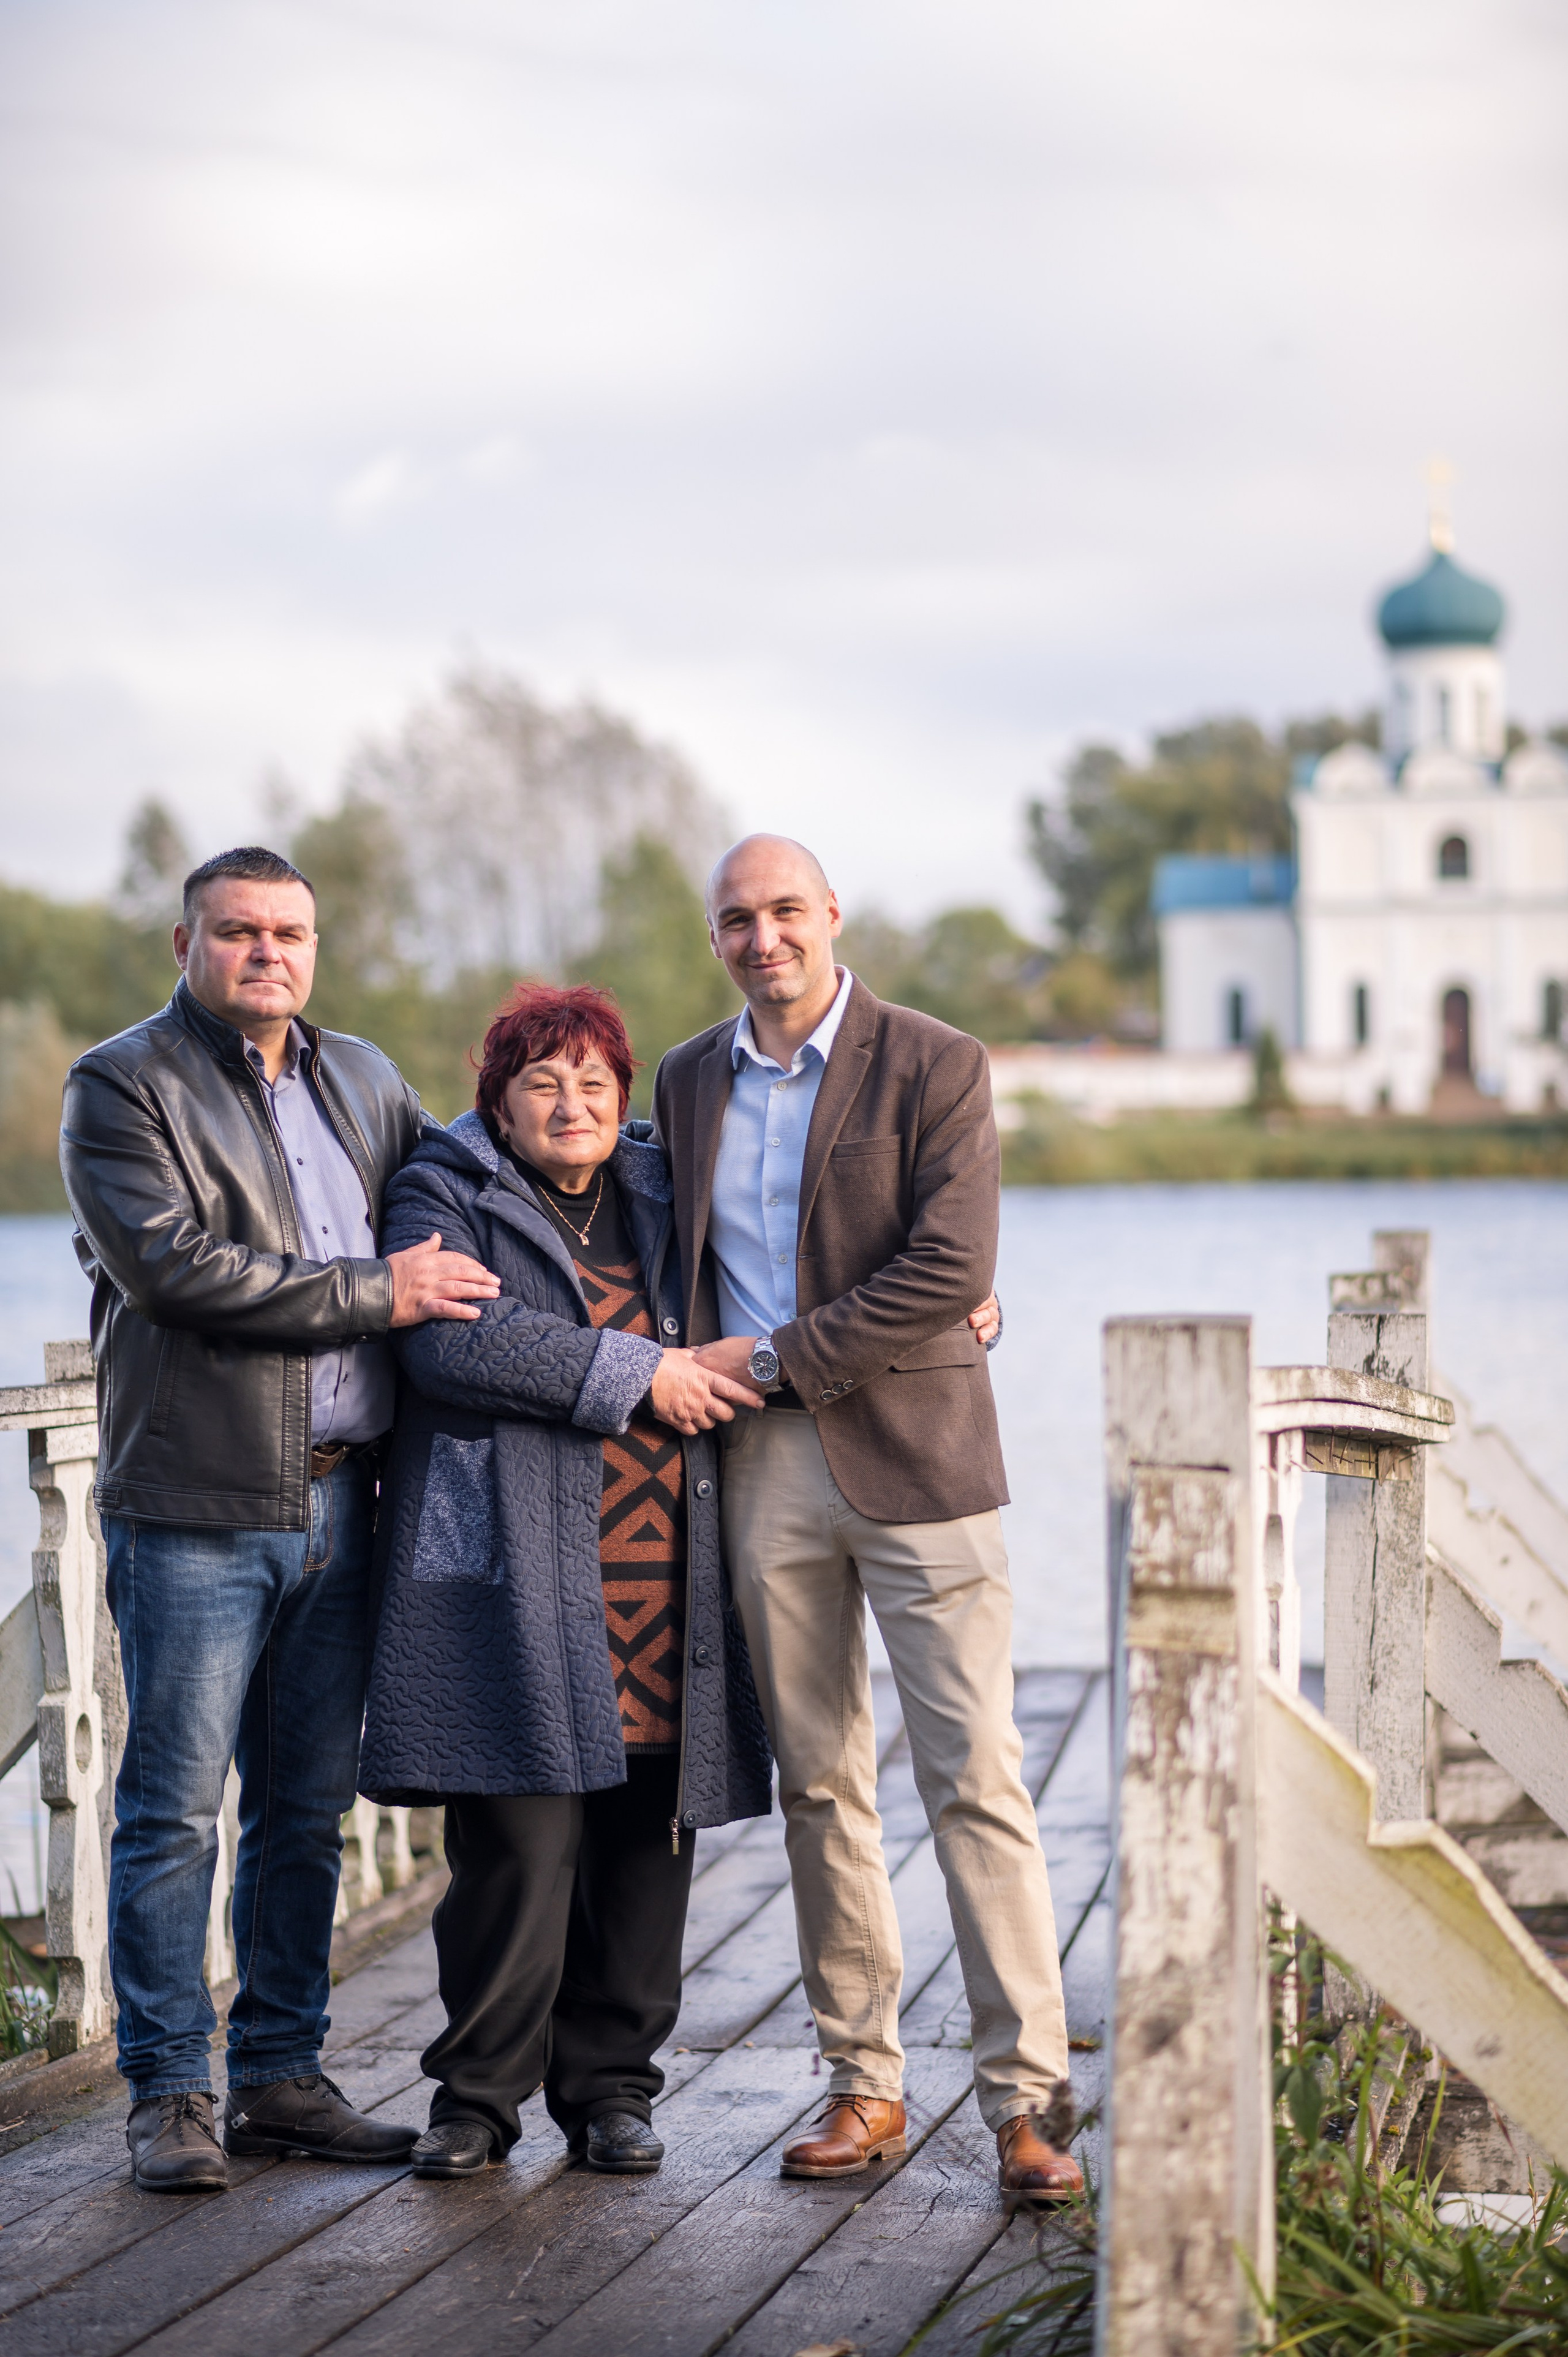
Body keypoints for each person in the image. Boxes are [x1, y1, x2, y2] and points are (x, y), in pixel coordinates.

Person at [59, 847, 501, 2195]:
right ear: (184, 943)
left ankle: (278, 2077)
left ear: (315, 947)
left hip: (348, 1498)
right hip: (197, 1502)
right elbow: (175, 1269)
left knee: (305, 1811)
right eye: (239, 931)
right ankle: (168, 2093)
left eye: (289, 933)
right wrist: (380, 1292)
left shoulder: (361, 1076)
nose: (267, 953)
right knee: (174, 1813)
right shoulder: (121, 1083)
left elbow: (488, 1186)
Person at [653, 834, 1084, 2205]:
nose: (763, 938)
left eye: (785, 910)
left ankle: (1027, 2105)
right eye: (737, 919)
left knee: (977, 1778)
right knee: (820, 1783)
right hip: (760, 1469)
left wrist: (777, 1356)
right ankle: (863, 2084)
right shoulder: (684, 1079)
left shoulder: (936, 1060)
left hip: (919, 1454)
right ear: (715, 938)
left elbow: (953, 1263)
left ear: (831, 914)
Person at [358, 983, 774, 2180]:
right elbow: (451, 1343)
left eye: (594, 1081)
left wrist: (962, 1301)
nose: (572, 1103)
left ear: (622, 1094)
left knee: (647, 1842)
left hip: (666, 1569)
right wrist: (638, 1369)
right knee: (517, 1849)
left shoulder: (663, 1184)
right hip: (518, 1572)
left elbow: (791, 1260)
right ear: (498, 1100)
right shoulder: (446, 1187)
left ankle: (611, 2095)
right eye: (542, 1082)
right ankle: (476, 2103)